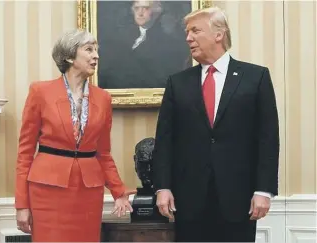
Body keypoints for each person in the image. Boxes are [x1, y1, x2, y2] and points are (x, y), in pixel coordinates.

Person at [152, 6, 279, 243]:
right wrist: (162, 187)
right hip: (188, 199)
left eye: (195, 31)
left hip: (238, 198)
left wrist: (264, 190)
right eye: (187, 32)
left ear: (218, 34)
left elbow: (268, 138)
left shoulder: (256, 77)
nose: (188, 38)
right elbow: (165, 140)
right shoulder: (177, 83)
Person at [15, 29, 136, 242]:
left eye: (97, 50)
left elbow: (104, 153)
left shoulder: (104, 98)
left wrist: (119, 191)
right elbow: (24, 154)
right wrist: (22, 205)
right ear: (70, 56)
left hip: (88, 192)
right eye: (89, 49)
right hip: (47, 191)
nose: (96, 55)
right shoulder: (40, 92)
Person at [98, 0, 190, 89]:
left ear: (156, 12)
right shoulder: (122, 37)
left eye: (145, 8)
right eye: (136, 8)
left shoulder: (168, 43)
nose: (140, 13)